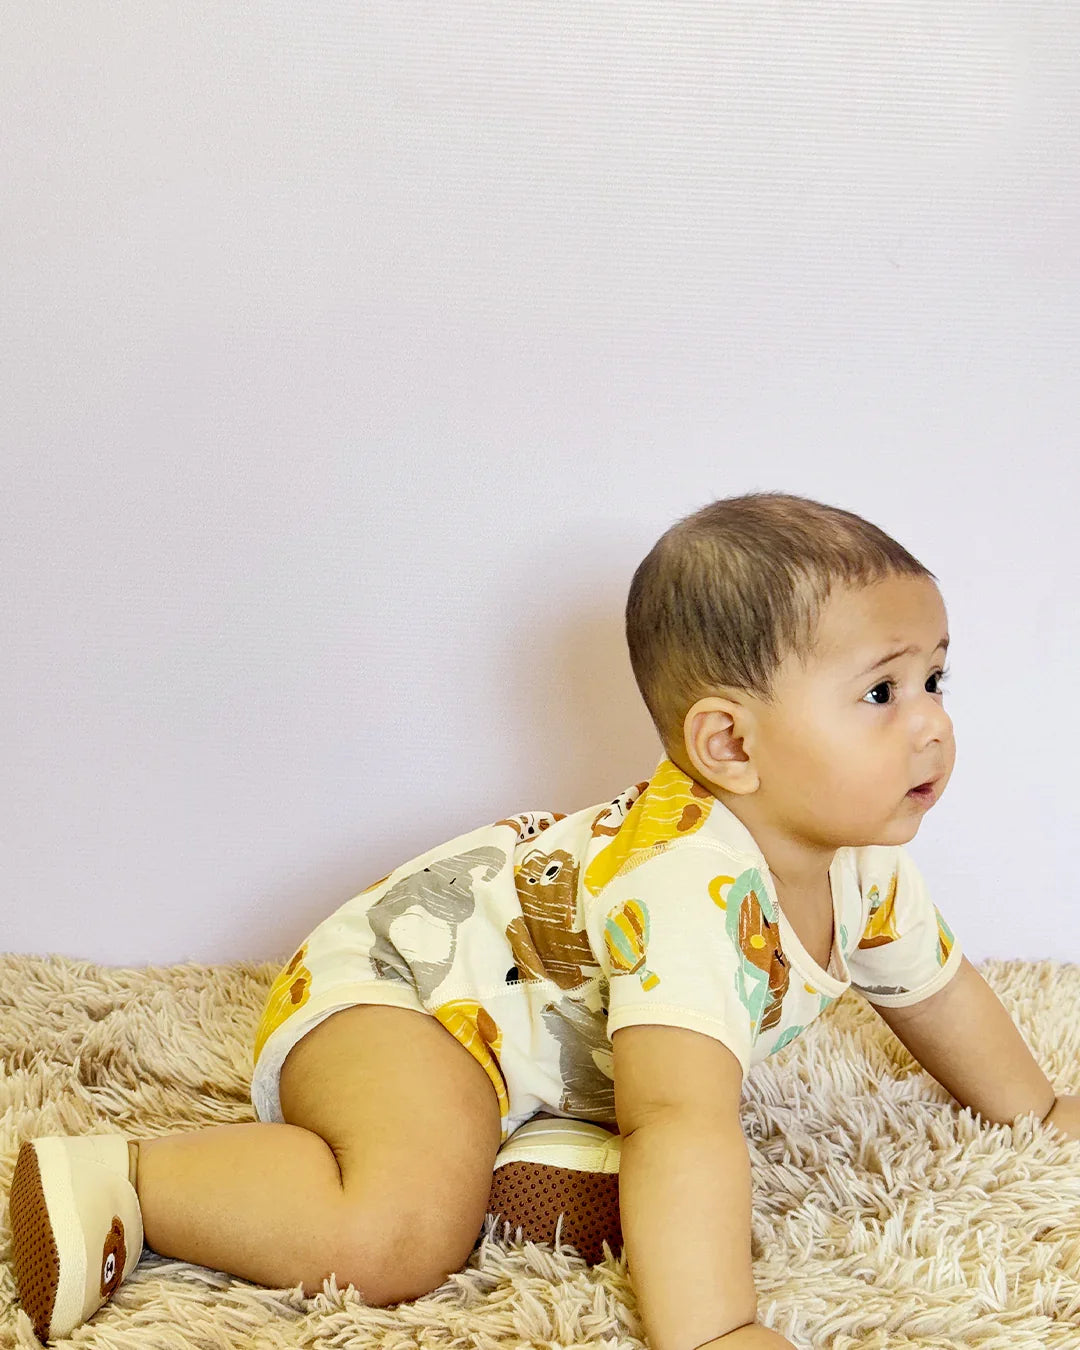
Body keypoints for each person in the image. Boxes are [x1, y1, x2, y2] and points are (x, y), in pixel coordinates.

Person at [9, 490, 1077, 1350]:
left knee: (607, 1145)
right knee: (402, 1231)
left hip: (519, 1021)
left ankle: (539, 1141)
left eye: (937, 677)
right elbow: (681, 1122)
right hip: (402, 998)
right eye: (883, 693)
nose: (934, 724)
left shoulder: (865, 866)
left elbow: (939, 991)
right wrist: (715, 1327)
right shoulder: (686, 888)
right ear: (732, 746)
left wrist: (1036, 1111)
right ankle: (130, 1172)